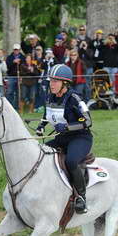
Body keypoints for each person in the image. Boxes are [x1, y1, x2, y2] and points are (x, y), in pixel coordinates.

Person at [35, 64, 92, 214]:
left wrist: (67, 127)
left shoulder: (75, 98)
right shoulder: (50, 96)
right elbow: (47, 115)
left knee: (71, 161)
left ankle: (81, 197)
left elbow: (87, 122)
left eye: (55, 81)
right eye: (50, 81)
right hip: (62, 137)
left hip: (80, 137)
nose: (51, 84)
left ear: (64, 83)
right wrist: (41, 126)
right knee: (38, 154)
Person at [5, 43, 25, 110]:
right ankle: (9, 107)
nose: (16, 51)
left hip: (19, 77)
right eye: (15, 50)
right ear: (13, 50)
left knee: (18, 92)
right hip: (11, 76)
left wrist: (20, 62)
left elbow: (24, 66)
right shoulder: (9, 57)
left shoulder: (22, 57)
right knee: (10, 92)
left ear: (19, 50)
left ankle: (16, 107)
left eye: (17, 50)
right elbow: (7, 66)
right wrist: (13, 62)